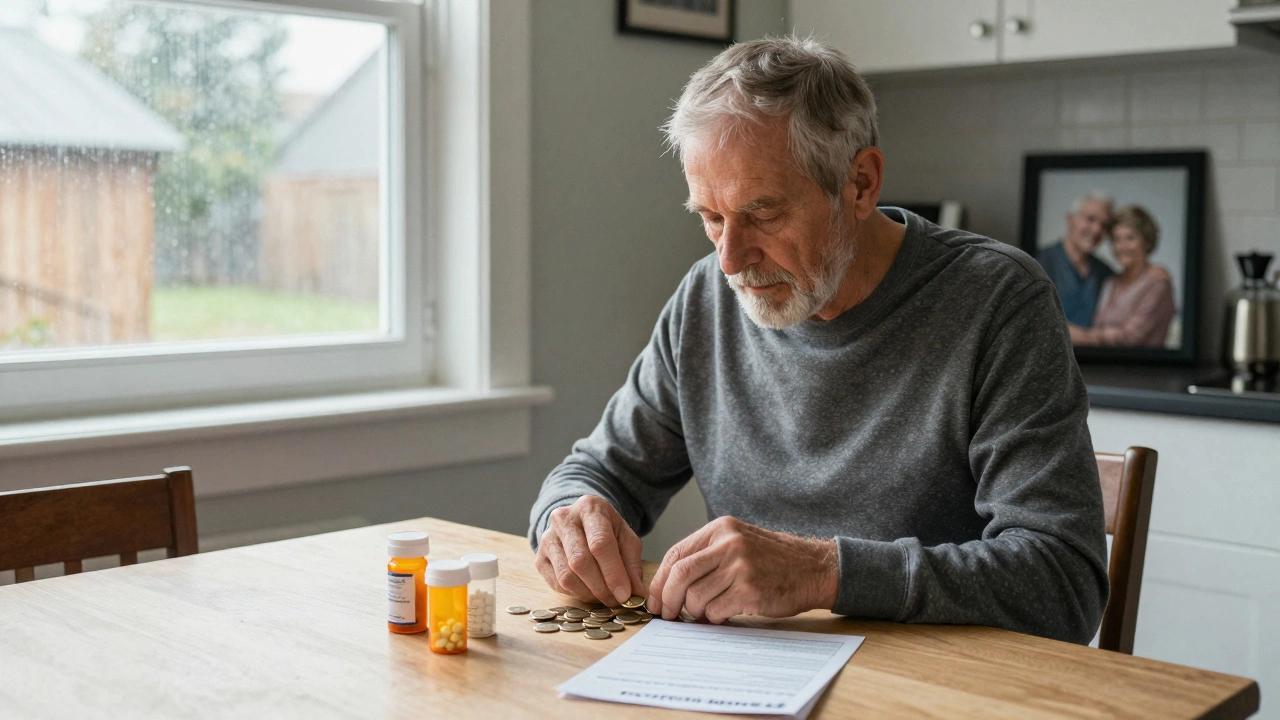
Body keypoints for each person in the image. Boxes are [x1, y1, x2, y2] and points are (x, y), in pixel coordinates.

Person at [527, 37, 1108, 644]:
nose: (730, 260)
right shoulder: (706, 299)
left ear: (860, 183)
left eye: (763, 213)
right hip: (746, 678)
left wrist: (826, 572)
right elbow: (596, 472)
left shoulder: (998, 301)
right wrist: (568, 515)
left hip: (936, 691)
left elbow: (1064, 584)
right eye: (710, 217)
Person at [1071, 205, 1175, 347]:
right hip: (1106, 365)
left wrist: (1078, 335)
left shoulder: (1158, 282)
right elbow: (1097, 327)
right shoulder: (1111, 282)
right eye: (1116, 239)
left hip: (1144, 367)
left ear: (1146, 241)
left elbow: (1131, 338)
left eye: (1130, 238)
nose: (1122, 246)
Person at [1036, 193, 1116, 327]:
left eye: (1104, 226)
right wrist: (1094, 338)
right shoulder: (1040, 261)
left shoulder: (1105, 273)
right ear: (1070, 219)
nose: (1097, 230)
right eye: (1090, 219)